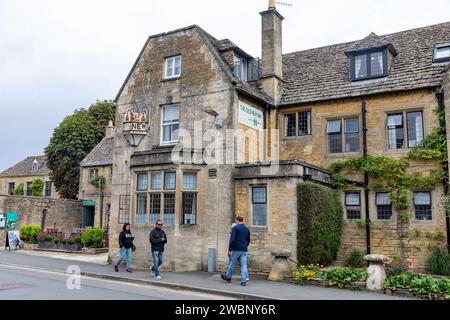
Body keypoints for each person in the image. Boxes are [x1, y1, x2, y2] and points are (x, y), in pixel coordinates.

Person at [222, 216, 251, 286]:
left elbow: (232, 239)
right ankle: (243, 281)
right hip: (244, 249)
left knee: (232, 264)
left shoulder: (235, 228)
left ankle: (228, 277)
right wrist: (245, 246)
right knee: (244, 265)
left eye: (236, 221)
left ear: (237, 220)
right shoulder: (247, 229)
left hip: (236, 249)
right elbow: (248, 239)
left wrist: (230, 249)